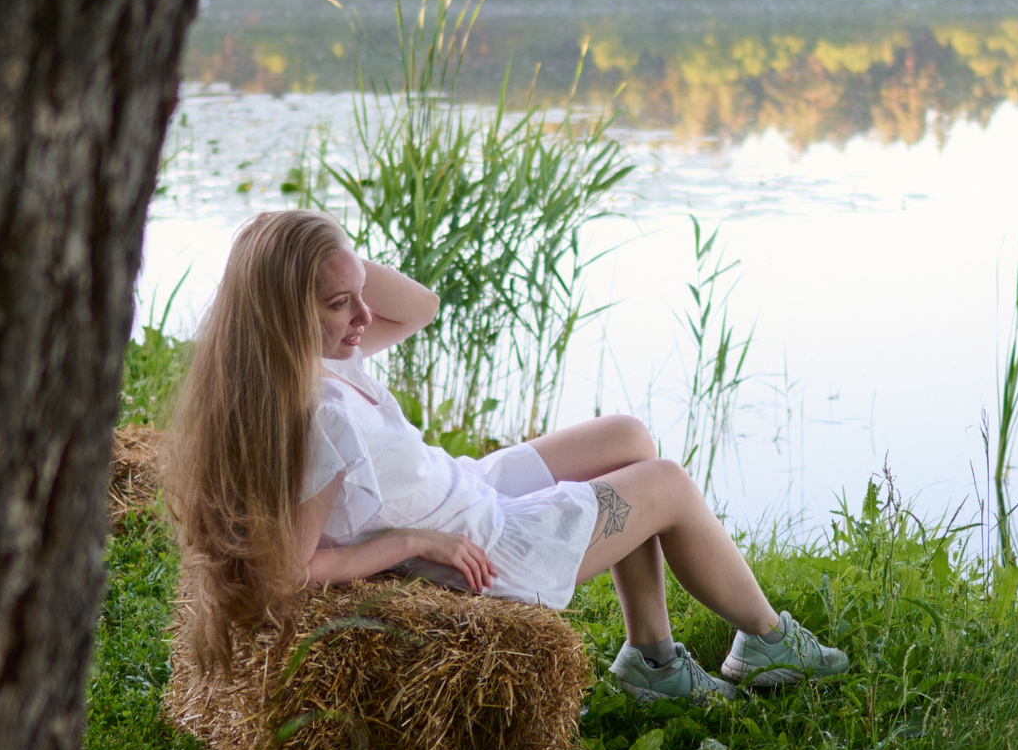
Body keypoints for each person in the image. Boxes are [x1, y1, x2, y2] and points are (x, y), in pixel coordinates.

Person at [165, 209, 844, 702]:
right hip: (484, 540)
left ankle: (652, 657)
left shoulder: (307, 358)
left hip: (469, 488)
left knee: (627, 438)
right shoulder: (324, 417)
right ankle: (767, 642)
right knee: (664, 482)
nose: (366, 318)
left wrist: (325, 254)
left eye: (359, 296)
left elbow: (421, 307)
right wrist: (409, 539)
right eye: (342, 304)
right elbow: (289, 572)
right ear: (284, 312)